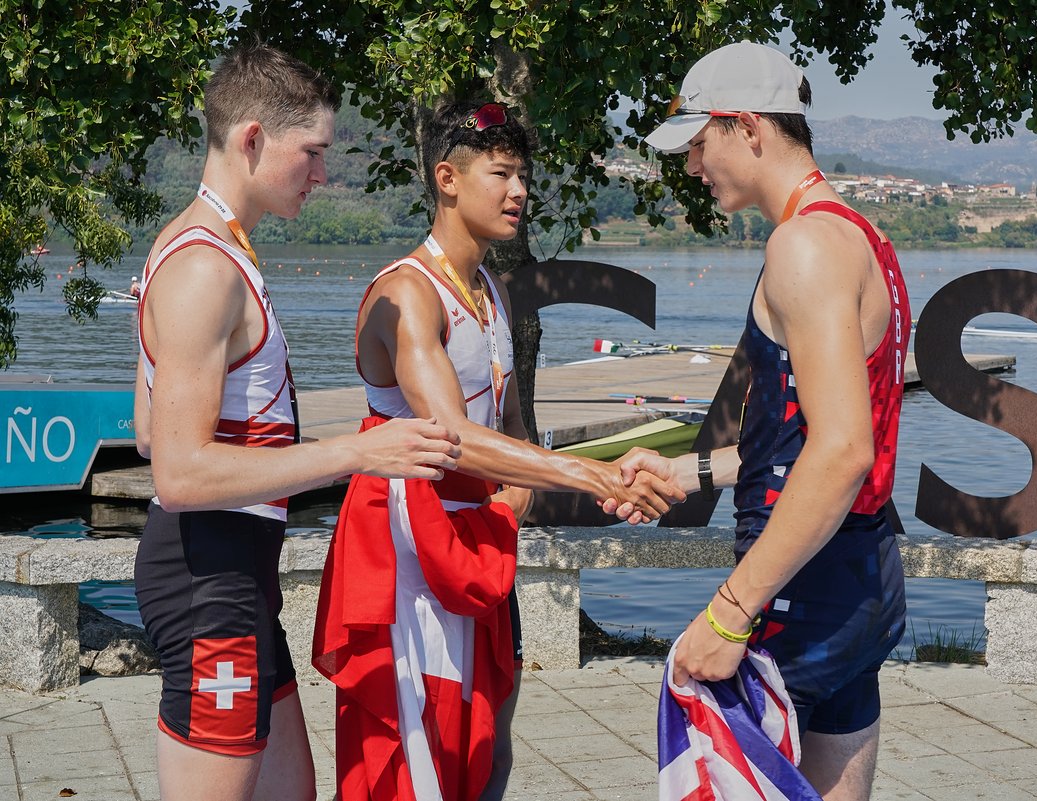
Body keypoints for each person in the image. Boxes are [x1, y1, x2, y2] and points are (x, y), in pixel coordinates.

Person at [313, 99, 685, 801]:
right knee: (412, 763)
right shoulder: (405, 294)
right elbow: (452, 439)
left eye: (524, 175)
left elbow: (513, 433)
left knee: (488, 751)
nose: (521, 191)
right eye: (503, 173)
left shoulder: (491, 290)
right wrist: (592, 471)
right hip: (413, 555)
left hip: (486, 543)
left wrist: (546, 487)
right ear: (447, 178)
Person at [132, 43, 462, 801]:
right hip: (207, 577)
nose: (322, 175)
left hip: (237, 570)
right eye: (311, 152)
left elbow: (149, 425)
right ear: (251, 138)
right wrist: (357, 452)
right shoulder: (202, 270)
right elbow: (177, 471)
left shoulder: (198, 249)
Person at [624, 41, 912, 801]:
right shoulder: (860, 236)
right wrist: (690, 471)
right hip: (861, 577)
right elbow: (808, 434)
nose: (691, 165)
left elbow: (843, 449)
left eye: (698, 141)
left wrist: (727, 613)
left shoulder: (802, 246)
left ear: (746, 125)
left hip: (797, 595)